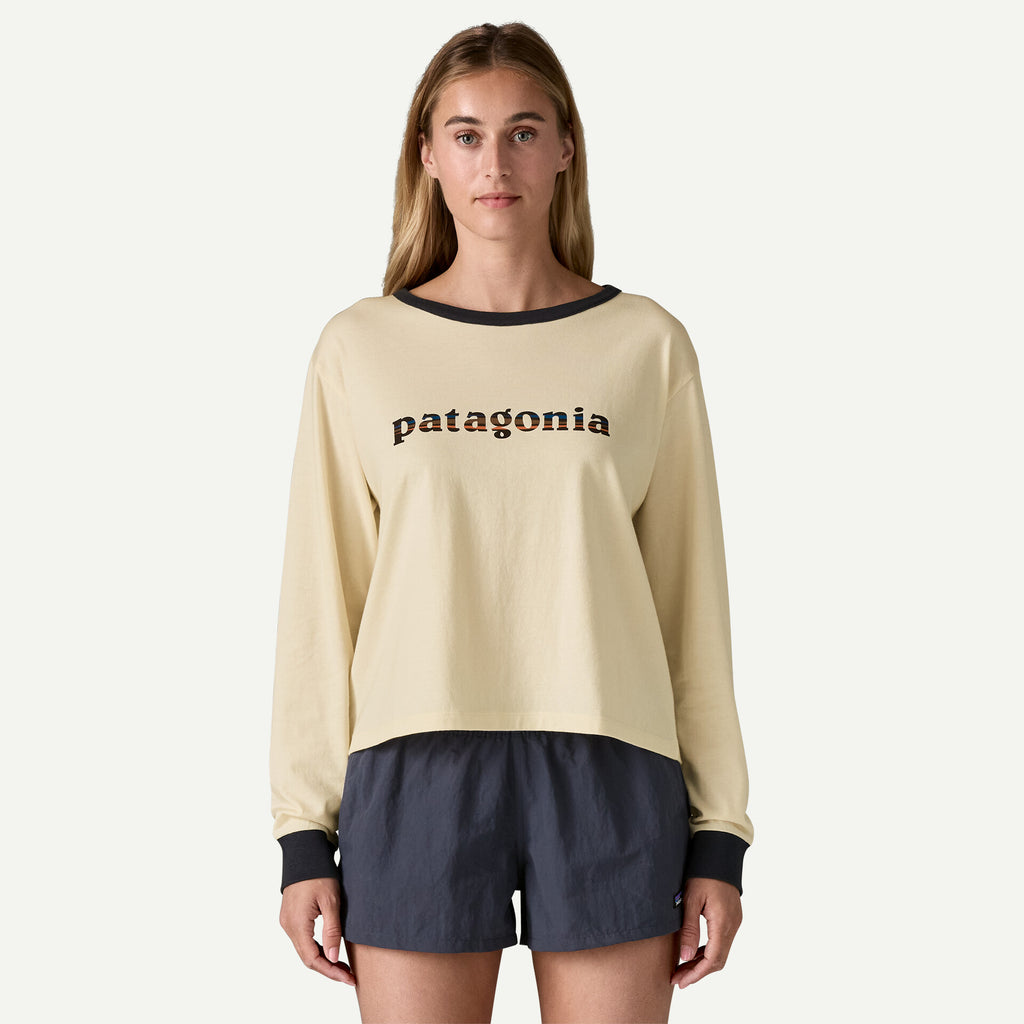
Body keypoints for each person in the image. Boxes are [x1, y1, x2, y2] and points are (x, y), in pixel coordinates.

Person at [269, 21, 754, 1024]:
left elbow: (690, 600)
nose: (495, 163)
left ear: (565, 148)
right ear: (427, 155)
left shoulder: (644, 344)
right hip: (413, 766)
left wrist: (719, 831)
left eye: (524, 132)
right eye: (467, 134)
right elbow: (323, 599)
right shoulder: (361, 347)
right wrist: (303, 834)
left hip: (611, 761)